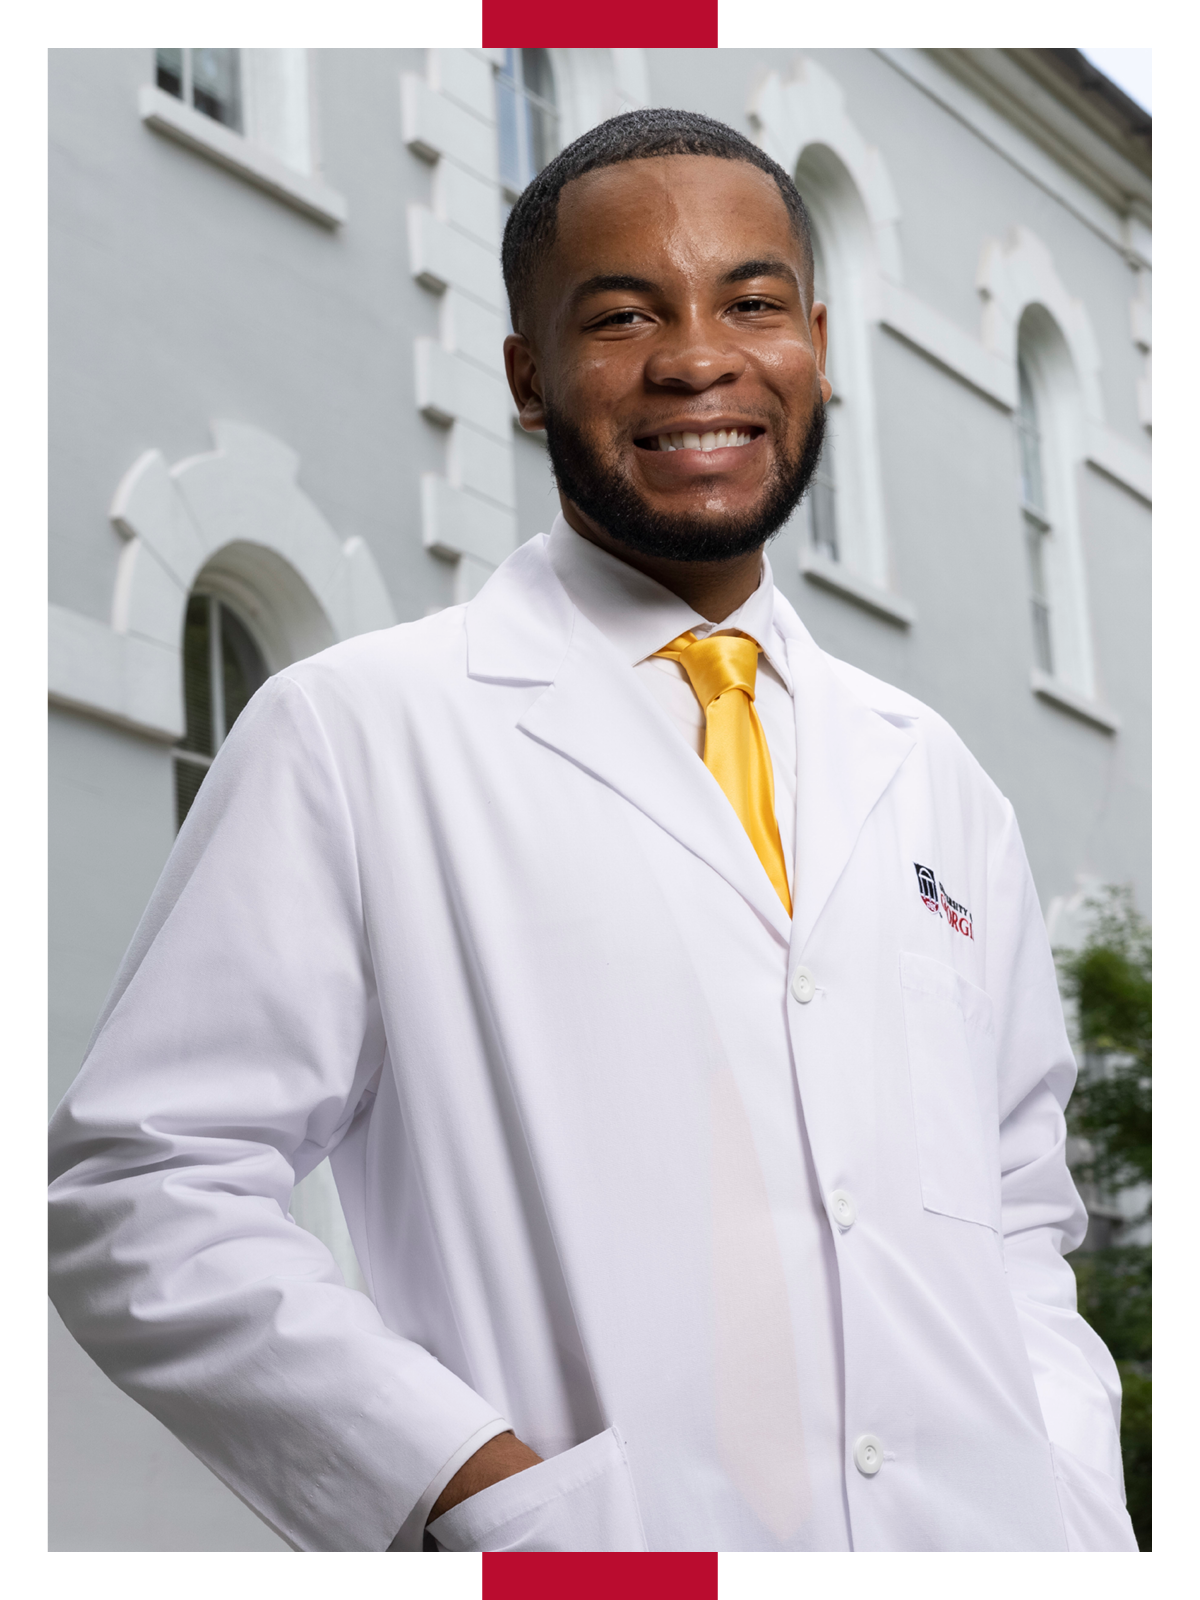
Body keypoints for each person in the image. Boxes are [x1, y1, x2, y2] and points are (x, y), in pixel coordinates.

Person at [47, 109, 1138, 1554]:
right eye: (623, 315)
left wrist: (1076, 1516)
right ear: (526, 376)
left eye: (752, 302)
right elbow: (144, 1187)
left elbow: (1016, 1225)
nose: (699, 357)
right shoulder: (359, 734)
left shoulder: (935, 777)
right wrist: (474, 1487)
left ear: (815, 343)